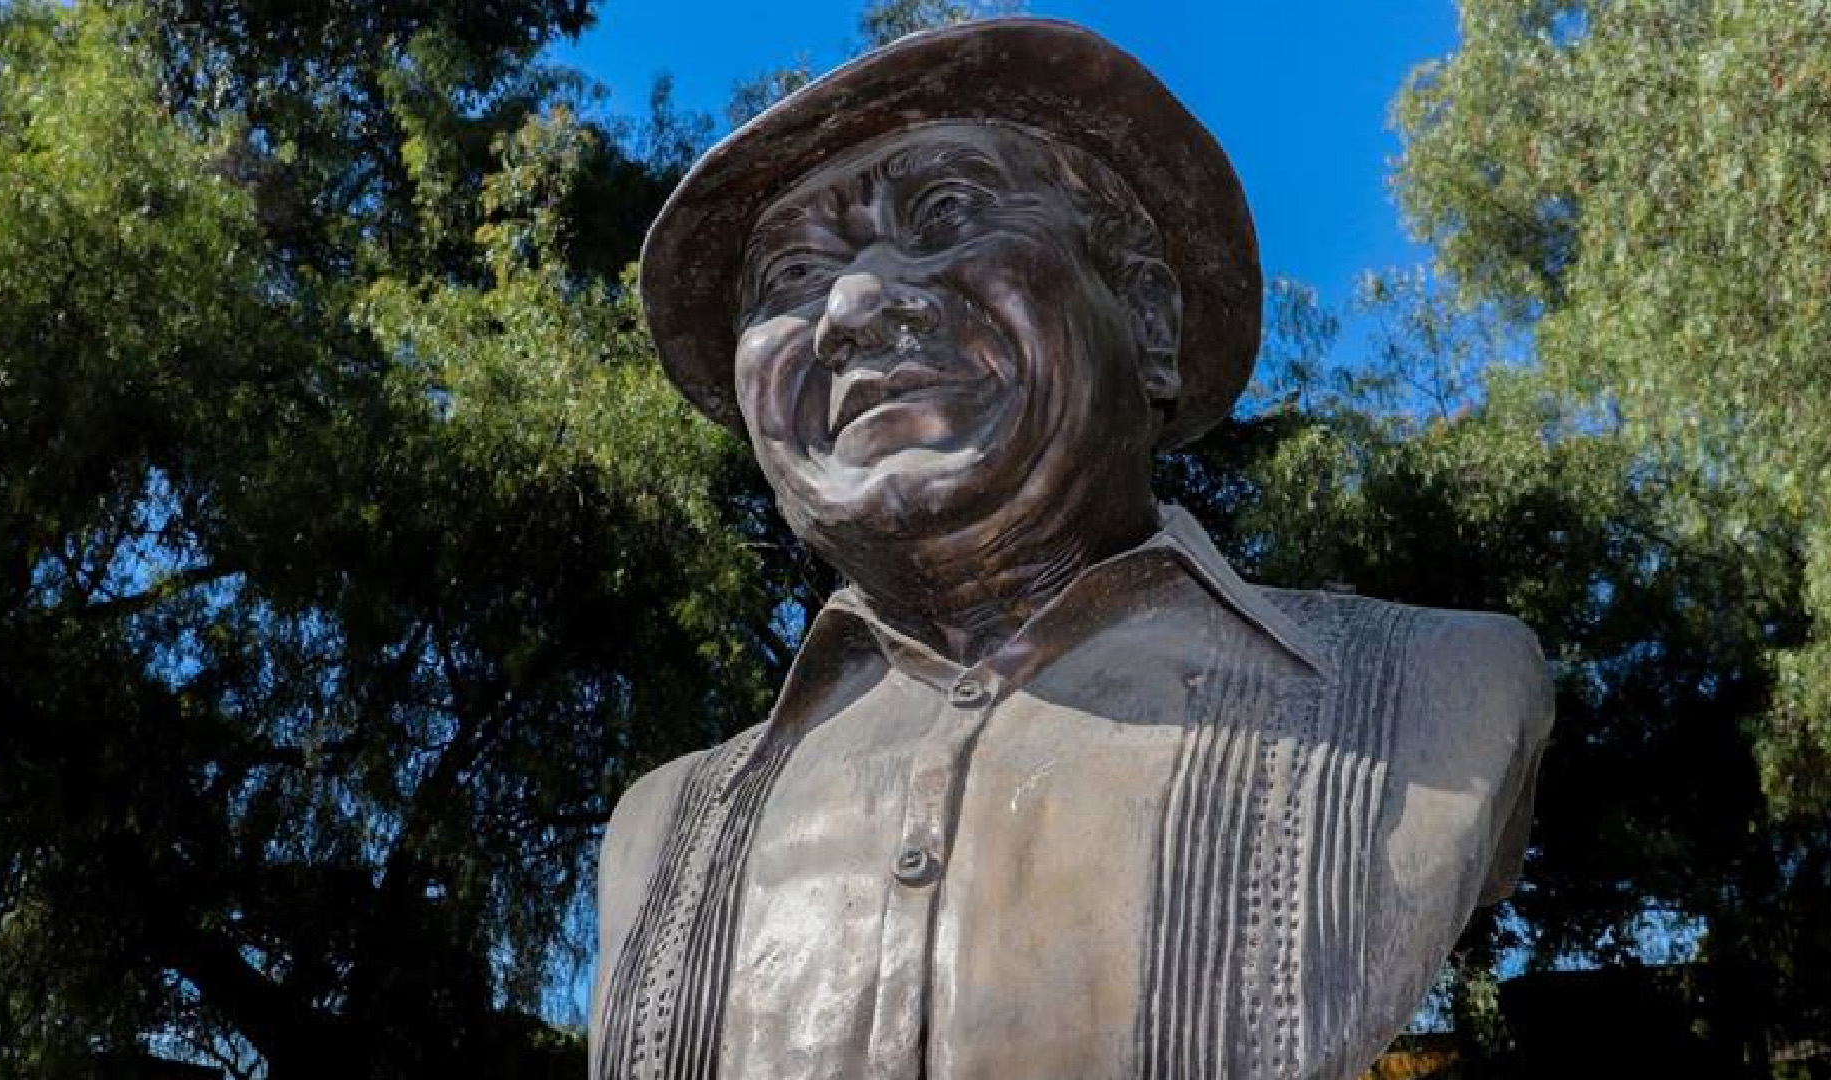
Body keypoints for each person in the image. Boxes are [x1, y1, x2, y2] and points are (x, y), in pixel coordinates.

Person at [591, 18, 1551, 1080]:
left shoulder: (1435, 697)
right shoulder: (659, 835)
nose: (850, 310)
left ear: (1143, 310)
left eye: (946, 212)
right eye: (790, 276)